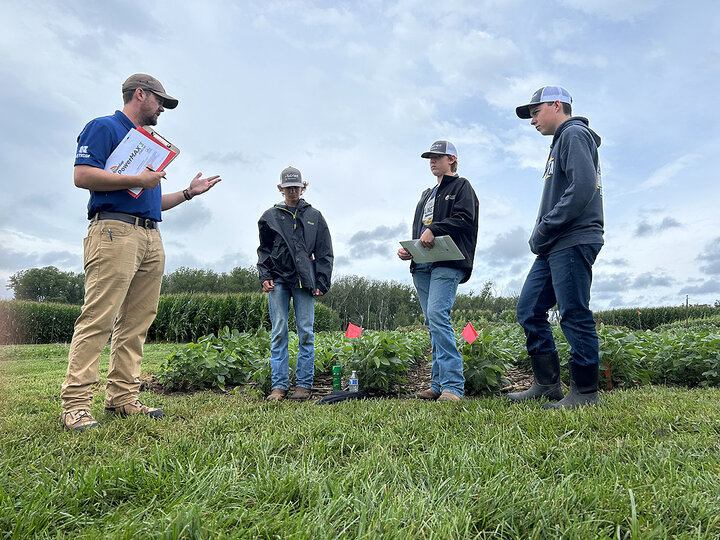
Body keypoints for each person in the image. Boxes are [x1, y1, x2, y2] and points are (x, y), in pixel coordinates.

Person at [60, 74, 221, 431]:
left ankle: (122, 396)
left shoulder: (147, 144)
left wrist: (189, 193)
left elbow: (153, 200)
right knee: (99, 317)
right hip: (114, 231)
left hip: (150, 235)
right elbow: (82, 175)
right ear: (139, 94)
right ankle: (75, 405)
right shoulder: (104, 127)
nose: (162, 108)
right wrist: (136, 179)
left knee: (137, 321)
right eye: (159, 101)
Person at [508, 86, 604, 409]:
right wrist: (543, 234)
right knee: (529, 308)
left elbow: (582, 188)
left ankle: (585, 394)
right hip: (553, 243)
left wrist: (544, 227)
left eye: (536, 112)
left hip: (572, 237)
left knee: (573, 313)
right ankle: (546, 384)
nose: (532, 120)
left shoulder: (574, 134)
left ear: (556, 104)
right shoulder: (559, 143)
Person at [398, 140, 479, 402]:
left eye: (438, 157)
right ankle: (437, 383)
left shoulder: (462, 187)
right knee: (432, 322)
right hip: (423, 265)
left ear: (452, 159)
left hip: (448, 261)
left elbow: (465, 219)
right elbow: (420, 229)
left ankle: (453, 387)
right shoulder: (427, 194)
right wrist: (410, 249)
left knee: (437, 314)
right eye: (430, 158)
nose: (433, 161)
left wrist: (436, 229)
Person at [257, 166, 334, 402]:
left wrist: (322, 281)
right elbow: (264, 250)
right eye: (288, 187)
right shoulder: (270, 216)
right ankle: (279, 387)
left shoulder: (315, 217)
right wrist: (264, 275)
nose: (292, 190)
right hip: (278, 279)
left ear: (303, 187)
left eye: (296, 187)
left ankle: (303, 385)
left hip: (305, 281)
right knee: (279, 331)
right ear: (281, 189)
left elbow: (324, 252)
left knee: (306, 333)